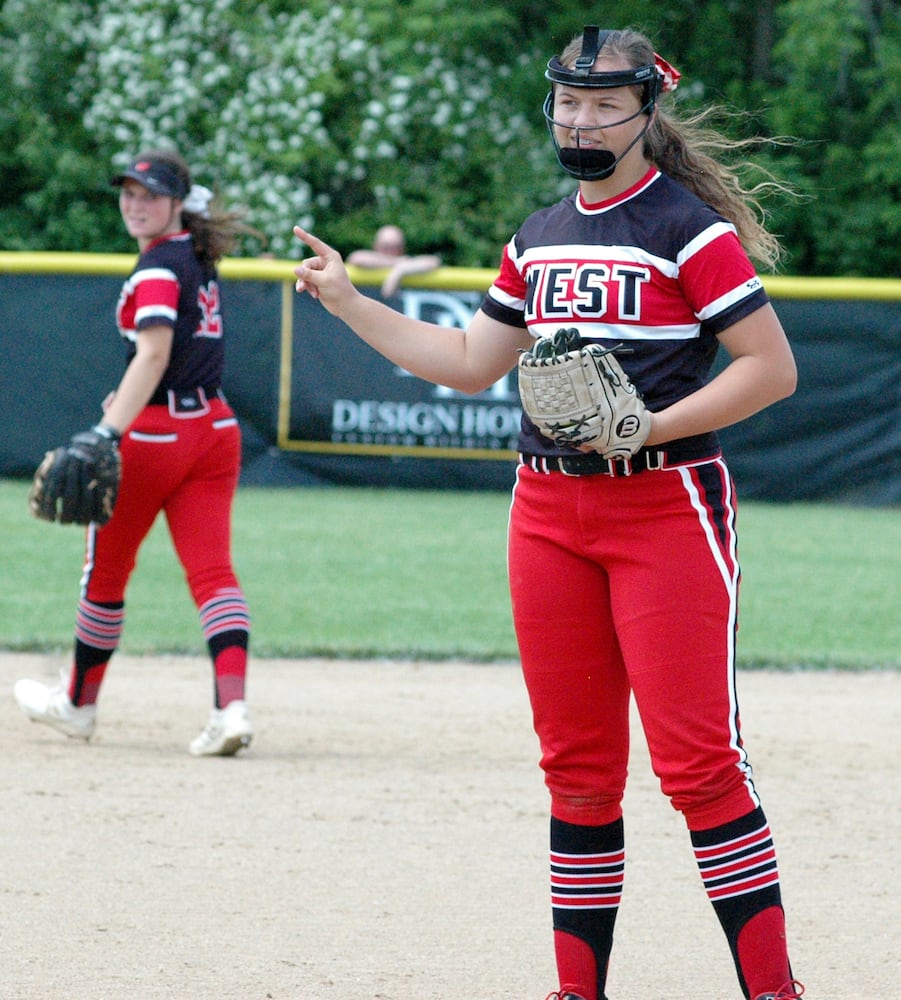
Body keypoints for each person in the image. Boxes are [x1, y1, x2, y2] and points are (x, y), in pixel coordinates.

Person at [292, 24, 804, 1000]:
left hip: (664, 507)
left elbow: (770, 370)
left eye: (602, 105)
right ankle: (576, 990)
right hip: (545, 513)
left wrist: (648, 427)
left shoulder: (686, 230)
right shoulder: (538, 235)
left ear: (645, 111)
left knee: (696, 767)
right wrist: (351, 302)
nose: (580, 119)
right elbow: (468, 361)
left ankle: (774, 991)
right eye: (566, 103)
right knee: (576, 770)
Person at [14, 149, 253, 757]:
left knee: (107, 573)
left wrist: (105, 432)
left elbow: (153, 356)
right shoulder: (196, 256)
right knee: (213, 572)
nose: (135, 202)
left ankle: (78, 704)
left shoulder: (155, 271)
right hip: (216, 430)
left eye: (150, 193)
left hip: (152, 437)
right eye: (128, 192)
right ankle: (232, 710)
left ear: (177, 203)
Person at [346, 223, 442, 298]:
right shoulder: (366, 261)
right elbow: (356, 258)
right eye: (386, 246)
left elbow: (434, 261)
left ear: (403, 248)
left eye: (396, 247)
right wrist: (396, 263)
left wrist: (399, 271)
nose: (391, 251)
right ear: (376, 246)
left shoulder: (407, 267)